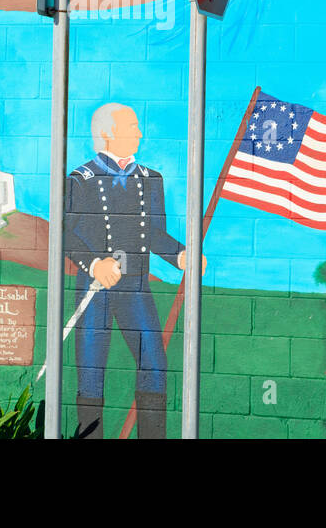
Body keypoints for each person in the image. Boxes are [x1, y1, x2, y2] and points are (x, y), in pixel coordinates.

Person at [64, 103, 205, 439]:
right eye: (132, 126)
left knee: (154, 365)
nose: (139, 133)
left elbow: (155, 233)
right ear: (108, 133)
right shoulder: (80, 180)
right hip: (95, 290)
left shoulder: (150, 179)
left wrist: (181, 254)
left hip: (136, 290)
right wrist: (95, 263)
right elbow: (66, 234)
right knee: (91, 373)